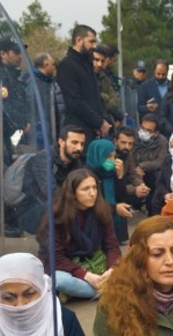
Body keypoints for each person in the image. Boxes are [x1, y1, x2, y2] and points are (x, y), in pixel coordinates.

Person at [36, 168, 121, 300]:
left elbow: (112, 246)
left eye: (94, 187)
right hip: (67, 267)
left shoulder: (103, 210)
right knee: (60, 280)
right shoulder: (57, 215)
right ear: (73, 192)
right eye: (85, 189)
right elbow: (55, 256)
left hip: (96, 262)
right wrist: (86, 275)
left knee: (129, 270)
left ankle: (88, 291)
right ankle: (107, 290)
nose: (92, 193)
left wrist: (112, 269)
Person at [13, 125, 86, 235]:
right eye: (74, 143)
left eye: (82, 144)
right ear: (61, 142)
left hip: (59, 208)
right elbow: (49, 191)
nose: (79, 148)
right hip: (31, 211)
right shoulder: (43, 159)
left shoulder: (77, 162)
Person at [57, 25, 111, 141]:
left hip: (93, 130)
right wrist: (98, 122)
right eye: (91, 42)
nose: (94, 46)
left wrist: (103, 120)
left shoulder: (88, 65)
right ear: (79, 40)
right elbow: (75, 102)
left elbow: (96, 97)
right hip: (77, 131)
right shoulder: (67, 66)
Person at [0, 36, 29, 166]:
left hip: (10, 136)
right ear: (3, 54)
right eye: (16, 52)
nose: (20, 56)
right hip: (0, 136)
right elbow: (3, 107)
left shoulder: (14, 75)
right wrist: (22, 124)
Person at [86, 138, 133, 243]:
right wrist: (115, 208)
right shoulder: (87, 175)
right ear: (98, 156)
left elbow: (121, 199)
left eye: (114, 156)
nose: (112, 160)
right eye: (108, 157)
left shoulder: (111, 172)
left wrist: (120, 177)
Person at [131, 114, 168, 210]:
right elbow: (129, 156)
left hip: (151, 172)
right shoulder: (134, 138)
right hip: (134, 171)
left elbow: (161, 161)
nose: (144, 132)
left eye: (148, 131)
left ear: (156, 133)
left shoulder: (162, 141)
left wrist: (142, 166)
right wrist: (135, 169)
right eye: (142, 128)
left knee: (157, 177)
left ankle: (151, 207)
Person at [28, 52, 66, 141]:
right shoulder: (33, 82)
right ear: (46, 64)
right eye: (53, 64)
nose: (54, 67)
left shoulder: (48, 81)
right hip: (40, 131)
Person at [93, 46, 123, 128]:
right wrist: (105, 97)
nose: (99, 64)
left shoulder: (104, 78)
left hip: (108, 122)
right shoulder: (85, 77)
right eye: (96, 60)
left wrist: (104, 99)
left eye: (102, 61)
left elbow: (115, 100)